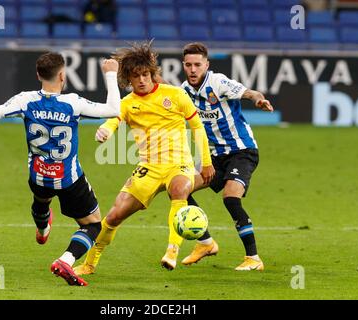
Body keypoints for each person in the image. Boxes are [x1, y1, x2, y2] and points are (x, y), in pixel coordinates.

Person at [0, 52, 121, 285]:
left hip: (39, 175)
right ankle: (66, 259)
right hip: (69, 180)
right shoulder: (73, 103)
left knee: (42, 199)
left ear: (37, 75)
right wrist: (111, 74)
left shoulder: (25, 100)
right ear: (63, 75)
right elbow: (114, 109)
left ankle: (42, 228)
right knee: (93, 224)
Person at [73, 41, 215, 275]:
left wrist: (206, 162)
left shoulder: (175, 95)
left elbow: (198, 128)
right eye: (135, 76)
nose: (141, 80)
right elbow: (113, 119)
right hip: (148, 167)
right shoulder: (127, 103)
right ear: (128, 79)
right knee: (114, 216)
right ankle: (89, 264)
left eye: (145, 74)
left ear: (152, 73)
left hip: (178, 163)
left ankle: (172, 251)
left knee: (180, 190)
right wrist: (106, 130)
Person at [180, 42, 274, 271]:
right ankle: (205, 243)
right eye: (189, 65)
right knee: (180, 190)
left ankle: (253, 258)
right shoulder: (184, 90)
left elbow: (249, 93)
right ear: (183, 65)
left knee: (231, 197)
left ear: (206, 65)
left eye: (197, 65)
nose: (193, 70)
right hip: (214, 157)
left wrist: (259, 100)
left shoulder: (218, 82)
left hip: (241, 151)